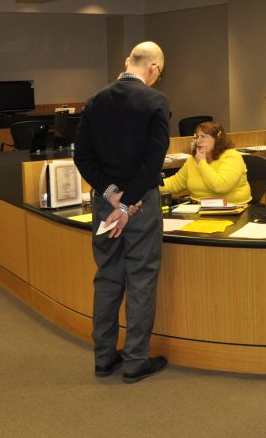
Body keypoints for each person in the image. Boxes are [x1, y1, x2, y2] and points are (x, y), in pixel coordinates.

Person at [73, 41, 171, 384]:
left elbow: (82, 157)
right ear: (154, 68)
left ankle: (103, 358)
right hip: (140, 206)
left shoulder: (95, 99)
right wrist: (129, 203)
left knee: (108, 277)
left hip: (105, 204)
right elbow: (152, 161)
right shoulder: (156, 101)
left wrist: (112, 195)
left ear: (127, 61)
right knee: (141, 279)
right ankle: (135, 361)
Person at [162, 120, 251, 204]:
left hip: (232, 208)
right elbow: (174, 183)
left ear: (217, 140)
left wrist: (202, 163)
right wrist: (150, 184)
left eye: (203, 137)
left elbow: (220, 187)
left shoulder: (232, 156)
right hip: (199, 209)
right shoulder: (193, 160)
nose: (198, 141)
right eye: (197, 137)